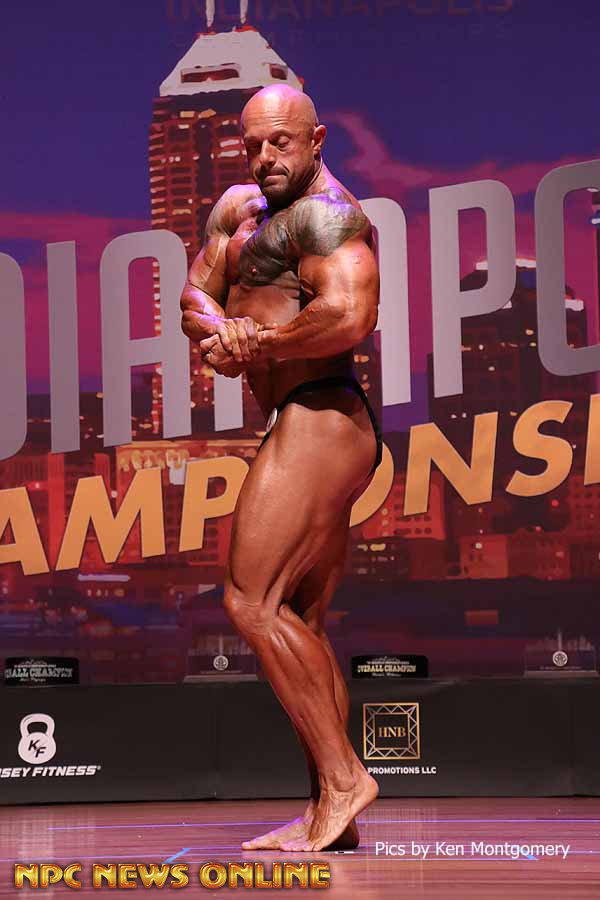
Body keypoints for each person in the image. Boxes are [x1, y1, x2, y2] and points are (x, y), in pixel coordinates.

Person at [180, 83, 381, 852]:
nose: (264, 156)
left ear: (317, 139)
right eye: (254, 143)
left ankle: (345, 779)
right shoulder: (237, 209)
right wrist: (220, 328)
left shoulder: (328, 215)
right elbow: (196, 292)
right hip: (300, 417)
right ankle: (330, 811)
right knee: (298, 620)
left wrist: (257, 343)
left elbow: (350, 315)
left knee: (249, 601)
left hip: (324, 414)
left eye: (281, 142)